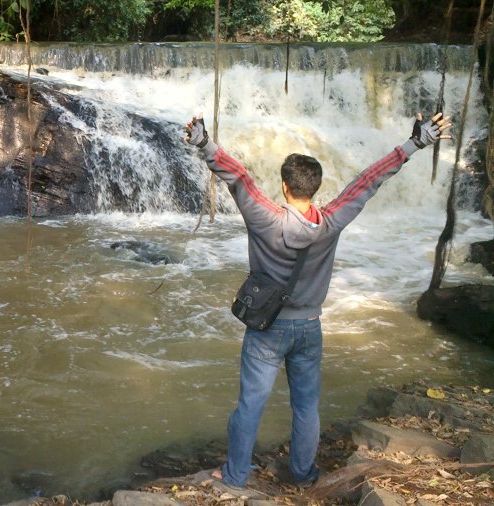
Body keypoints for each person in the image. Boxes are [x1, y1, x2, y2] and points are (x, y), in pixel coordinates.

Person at [183, 112, 453, 491]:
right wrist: (415, 143)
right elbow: (368, 181)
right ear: (316, 188)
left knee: (250, 406)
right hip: (309, 327)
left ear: (283, 186)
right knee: (306, 407)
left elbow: (239, 177)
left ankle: (235, 475)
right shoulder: (332, 221)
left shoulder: (264, 218)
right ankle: (304, 474)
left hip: (267, 328)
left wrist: (204, 143)